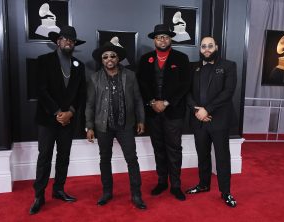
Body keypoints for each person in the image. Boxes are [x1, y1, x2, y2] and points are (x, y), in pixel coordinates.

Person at [29, 26, 86, 215]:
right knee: (44, 157)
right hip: (47, 119)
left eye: (72, 40)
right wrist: (57, 112)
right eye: (65, 39)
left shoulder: (79, 65)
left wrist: (70, 112)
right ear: (58, 41)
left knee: (64, 157)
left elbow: (81, 94)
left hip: (68, 120)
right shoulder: (43, 61)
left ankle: (59, 190)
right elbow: (41, 90)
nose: (68, 42)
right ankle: (39, 195)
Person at [85, 42, 146, 209]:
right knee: (105, 159)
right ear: (101, 60)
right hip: (103, 126)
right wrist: (89, 126)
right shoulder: (94, 78)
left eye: (112, 56)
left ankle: (136, 194)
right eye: (105, 57)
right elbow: (90, 104)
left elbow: (138, 99)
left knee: (132, 159)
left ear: (118, 58)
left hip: (126, 124)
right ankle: (107, 192)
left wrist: (141, 120)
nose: (109, 59)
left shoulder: (130, 76)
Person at [136, 24, 191, 201]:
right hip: (153, 112)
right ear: (154, 40)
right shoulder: (145, 59)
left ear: (170, 39)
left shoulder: (181, 58)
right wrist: (152, 102)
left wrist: (166, 102)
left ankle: (175, 185)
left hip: (173, 112)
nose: (163, 40)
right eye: (159, 37)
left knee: (174, 149)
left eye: (166, 37)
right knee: (158, 148)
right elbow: (141, 83)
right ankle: (162, 182)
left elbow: (185, 84)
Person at [185, 36, 237, 207]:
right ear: (200, 49)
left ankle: (226, 192)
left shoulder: (228, 66)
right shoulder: (193, 67)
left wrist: (207, 109)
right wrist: (196, 110)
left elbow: (228, 92)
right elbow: (187, 93)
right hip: (199, 119)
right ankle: (203, 184)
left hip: (219, 120)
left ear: (216, 47)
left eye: (210, 46)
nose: (206, 49)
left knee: (222, 157)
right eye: (203, 46)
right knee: (202, 154)